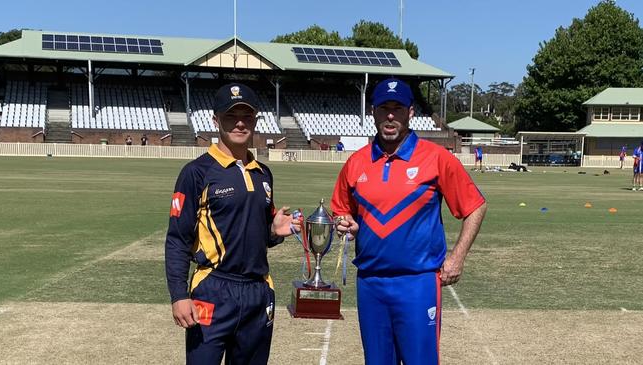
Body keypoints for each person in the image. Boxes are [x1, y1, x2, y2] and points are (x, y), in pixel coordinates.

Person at [331, 78, 487, 365]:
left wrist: (458, 256)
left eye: (398, 108)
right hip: (370, 283)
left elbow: (475, 206)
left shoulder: (437, 158)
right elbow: (342, 213)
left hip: (418, 283)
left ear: (410, 112)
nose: (390, 115)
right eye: (384, 108)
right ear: (373, 112)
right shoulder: (356, 163)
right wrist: (345, 224)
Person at [165, 82, 300, 365]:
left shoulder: (264, 174)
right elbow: (177, 239)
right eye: (231, 116)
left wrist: (274, 232)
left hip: (258, 291)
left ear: (255, 120)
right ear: (216, 120)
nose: (240, 123)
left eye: (247, 116)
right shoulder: (196, 173)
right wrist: (179, 295)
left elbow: (257, 233)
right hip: (213, 290)